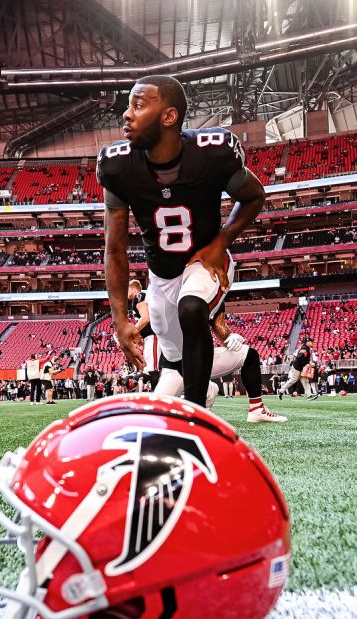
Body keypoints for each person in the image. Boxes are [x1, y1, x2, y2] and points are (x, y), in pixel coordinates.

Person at [100, 74, 267, 407]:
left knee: (192, 309)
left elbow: (254, 195)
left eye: (139, 105)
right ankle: (204, 391)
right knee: (174, 364)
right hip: (161, 277)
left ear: (168, 116)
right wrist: (120, 320)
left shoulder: (211, 153)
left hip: (203, 263)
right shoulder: (117, 166)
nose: (126, 114)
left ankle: (197, 418)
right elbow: (115, 249)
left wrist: (221, 242)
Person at [156, 310, 287, 422]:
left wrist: (229, 336)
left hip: (202, 359)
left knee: (250, 354)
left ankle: (256, 409)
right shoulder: (171, 289)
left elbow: (218, 323)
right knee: (155, 415)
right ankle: (207, 389)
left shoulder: (212, 290)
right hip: (174, 364)